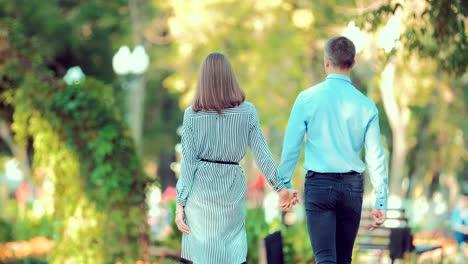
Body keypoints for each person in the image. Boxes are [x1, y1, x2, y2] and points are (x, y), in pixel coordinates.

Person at [174, 52, 298, 264]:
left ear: (203, 80)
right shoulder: (247, 112)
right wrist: (280, 187)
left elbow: (188, 164)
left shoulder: (192, 115)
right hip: (231, 193)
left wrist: (180, 204)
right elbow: (262, 153)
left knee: (202, 257)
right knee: (231, 255)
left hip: (200, 197)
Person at [277, 36, 388, 264]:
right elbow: (376, 156)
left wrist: (285, 184)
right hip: (352, 188)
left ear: (326, 62)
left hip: (319, 186)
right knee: (343, 259)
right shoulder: (367, 106)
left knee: (325, 258)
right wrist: (380, 201)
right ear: (353, 63)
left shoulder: (306, 99)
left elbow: (291, 147)